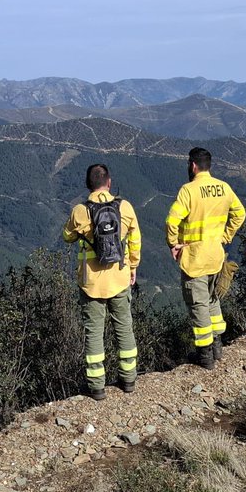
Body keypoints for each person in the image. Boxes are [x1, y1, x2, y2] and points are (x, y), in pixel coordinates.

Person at [62, 163, 141, 400]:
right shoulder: (124, 207)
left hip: (92, 282)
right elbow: (135, 239)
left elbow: (66, 236)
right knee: (124, 326)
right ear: (109, 182)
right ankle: (128, 379)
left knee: (94, 332)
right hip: (119, 275)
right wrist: (133, 266)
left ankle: (97, 386)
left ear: (88, 185)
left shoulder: (79, 211)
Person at [165, 147, 246, 369]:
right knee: (212, 300)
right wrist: (226, 236)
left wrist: (173, 244)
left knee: (198, 304)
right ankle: (217, 346)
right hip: (216, 256)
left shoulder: (188, 190)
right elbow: (240, 213)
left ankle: (205, 354)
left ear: (192, 165)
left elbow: (171, 221)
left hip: (195, 258)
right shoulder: (223, 187)